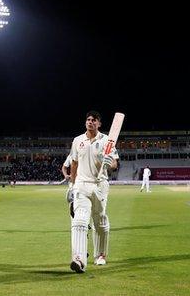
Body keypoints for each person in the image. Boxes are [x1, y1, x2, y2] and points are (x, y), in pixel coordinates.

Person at [68, 111, 118, 273]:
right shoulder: (77, 141)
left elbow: (114, 164)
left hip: (99, 185)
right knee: (80, 220)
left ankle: (100, 255)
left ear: (99, 124)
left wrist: (110, 163)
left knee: (100, 221)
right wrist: (71, 184)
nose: (90, 122)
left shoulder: (106, 141)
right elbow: (74, 164)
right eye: (88, 120)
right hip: (81, 185)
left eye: (94, 120)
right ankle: (79, 259)